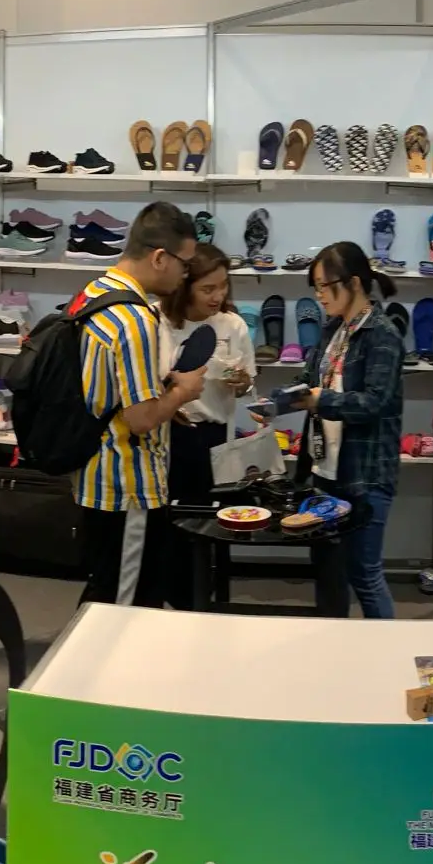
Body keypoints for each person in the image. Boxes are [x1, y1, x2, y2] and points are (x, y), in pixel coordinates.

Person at [257, 242, 405, 619]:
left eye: (325, 285)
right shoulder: (332, 329)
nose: (319, 294)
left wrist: (320, 400)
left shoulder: (382, 334)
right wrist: (276, 403)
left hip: (366, 472)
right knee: (328, 569)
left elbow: (375, 402)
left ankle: (388, 647)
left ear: (353, 283)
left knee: (364, 572)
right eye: (316, 286)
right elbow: (308, 381)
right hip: (325, 469)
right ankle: (335, 642)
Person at [73, 201, 205, 607]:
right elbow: (142, 419)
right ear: (160, 258)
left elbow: (105, 388)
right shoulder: (135, 320)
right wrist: (182, 391)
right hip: (127, 484)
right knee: (124, 604)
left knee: (107, 588)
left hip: (94, 471)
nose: (186, 275)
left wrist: (162, 392)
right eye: (185, 265)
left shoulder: (94, 294)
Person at [153, 243, 254, 607]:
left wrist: (242, 382)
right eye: (208, 288)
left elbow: (248, 383)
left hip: (215, 439)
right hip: (166, 435)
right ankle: (173, 601)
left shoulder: (233, 324)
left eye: (223, 286)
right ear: (185, 285)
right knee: (169, 526)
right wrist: (168, 398)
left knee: (210, 526)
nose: (217, 296)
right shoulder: (156, 320)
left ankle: (203, 601)